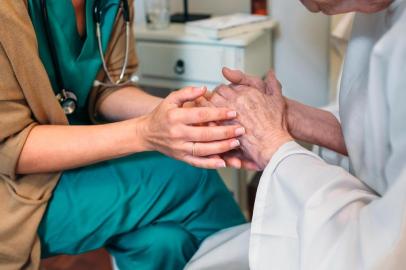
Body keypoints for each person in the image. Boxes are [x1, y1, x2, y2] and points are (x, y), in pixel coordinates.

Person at [0, 1, 246, 269]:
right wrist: (145, 132)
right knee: (190, 173)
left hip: (76, 162)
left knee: (161, 242)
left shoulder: (113, 3)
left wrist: (177, 117)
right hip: (14, 189)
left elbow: (106, 88)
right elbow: (11, 146)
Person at [204, 0, 406, 269]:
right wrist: (284, 114)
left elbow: (383, 251)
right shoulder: (377, 12)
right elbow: (376, 134)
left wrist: (271, 144)